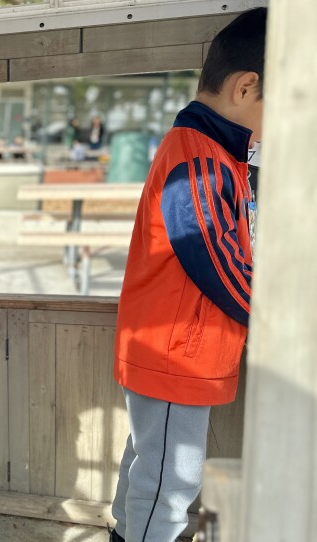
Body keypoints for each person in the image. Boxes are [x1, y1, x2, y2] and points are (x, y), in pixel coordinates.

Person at [110, 8, 266, 542]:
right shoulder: (198, 157)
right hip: (179, 352)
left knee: (148, 471)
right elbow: (215, 260)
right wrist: (273, 319)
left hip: (175, 350)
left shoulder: (218, 155)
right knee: (169, 485)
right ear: (247, 87)